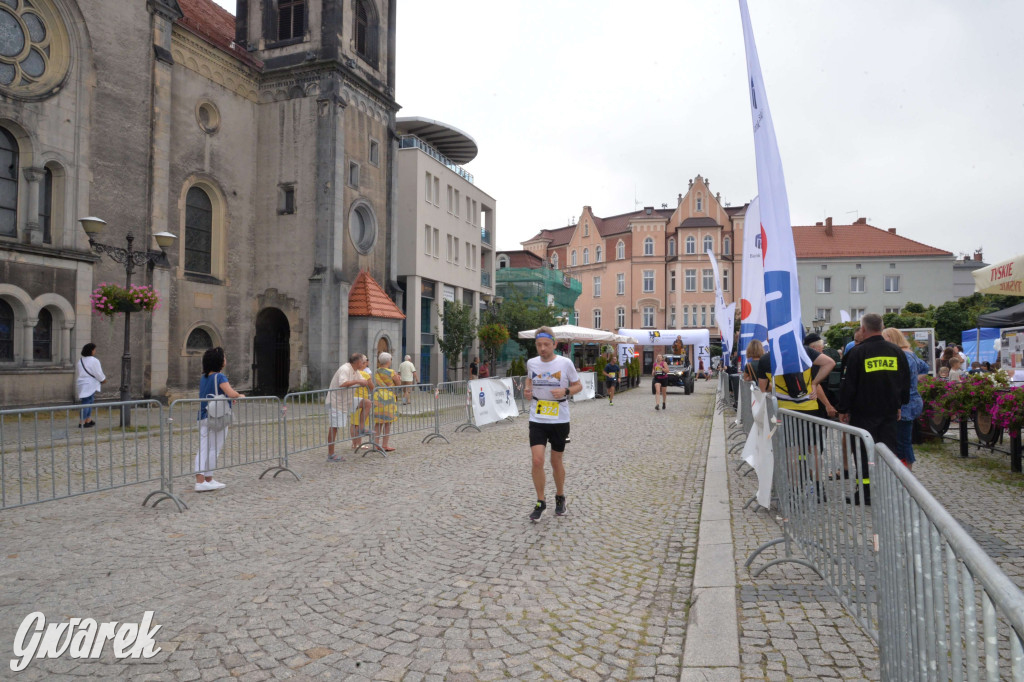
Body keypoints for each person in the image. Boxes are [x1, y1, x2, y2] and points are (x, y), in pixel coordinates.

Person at [836, 314, 910, 505]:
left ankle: (866, 492)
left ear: (863, 329)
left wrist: (843, 409)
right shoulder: (896, 351)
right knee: (887, 453)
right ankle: (886, 490)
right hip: (889, 412)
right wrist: (900, 404)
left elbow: (848, 384)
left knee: (863, 453)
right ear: (881, 327)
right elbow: (904, 382)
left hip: (863, 412)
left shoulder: (857, 353)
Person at [523, 326, 582, 521]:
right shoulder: (532, 363)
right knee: (537, 460)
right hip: (537, 417)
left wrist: (566, 392)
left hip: (560, 418)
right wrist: (527, 389)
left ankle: (560, 496)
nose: (542, 348)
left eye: (546, 345)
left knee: (556, 461)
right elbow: (529, 380)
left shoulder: (565, 363)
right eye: (539, 345)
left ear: (554, 344)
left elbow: (578, 385)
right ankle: (540, 502)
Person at [195, 347, 244, 492]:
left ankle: (204, 479)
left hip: (203, 415)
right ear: (220, 361)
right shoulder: (220, 377)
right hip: (216, 417)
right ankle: (204, 480)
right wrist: (240, 396)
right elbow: (231, 393)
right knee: (213, 448)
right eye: (224, 357)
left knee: (204, 447)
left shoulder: (204, 378)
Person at [882, 327, 930, 470]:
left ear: (891, 338)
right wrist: (914, 380)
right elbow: (925, 368)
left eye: (885, 338)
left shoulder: (903, 355)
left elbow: (902, 378)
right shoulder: (910, 353)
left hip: (905, 403)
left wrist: (909, 383)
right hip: (911, 400)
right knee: (902, 439)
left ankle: (905, 474)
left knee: (902, 441)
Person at [326, 352, 374, 461]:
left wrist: (365, 381)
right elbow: (342, 383)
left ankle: (361, 428)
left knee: (367, 403)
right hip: (336, 401)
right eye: (363, 362)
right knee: (334, 427)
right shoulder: (345, 369)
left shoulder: (356, 371)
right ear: (358, 362)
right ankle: (331, 454)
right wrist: (358, 381)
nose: (365, 364)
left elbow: (365, 382)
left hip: (347, 400)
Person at [373, 352, 401, 452]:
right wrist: (398, 378)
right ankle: (384, 445)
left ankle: (375, 444)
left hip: (378, 396)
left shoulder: (377, 371)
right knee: (387, 422)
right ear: (389, 361)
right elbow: (398, 384)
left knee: (378, 422)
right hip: (388, 397)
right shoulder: (391, 372)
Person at [76, 343, 106, 428]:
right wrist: (103, 379)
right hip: (90, 383)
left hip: (82, 382)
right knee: (86, 402)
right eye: (94, 349)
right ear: (91, 350)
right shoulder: (94, 360)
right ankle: (82, 422)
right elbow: (98, 372)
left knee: (89, 401)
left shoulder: (80, 360)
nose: (95, 351)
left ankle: (88, 419)